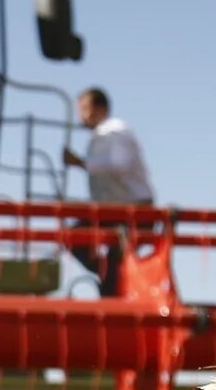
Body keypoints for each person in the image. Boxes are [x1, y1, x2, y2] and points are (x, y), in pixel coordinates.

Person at [60, 86, 153, 292]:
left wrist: (80, 163)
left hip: (134, 213)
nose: (81, 116)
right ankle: (111, 274)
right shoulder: (102, 135)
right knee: (75, 238)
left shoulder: (115, 130)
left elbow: (119, 163)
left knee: (113, 267)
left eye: (85, 109)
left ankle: (113, 277)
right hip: (115, 212)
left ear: (100, 108)